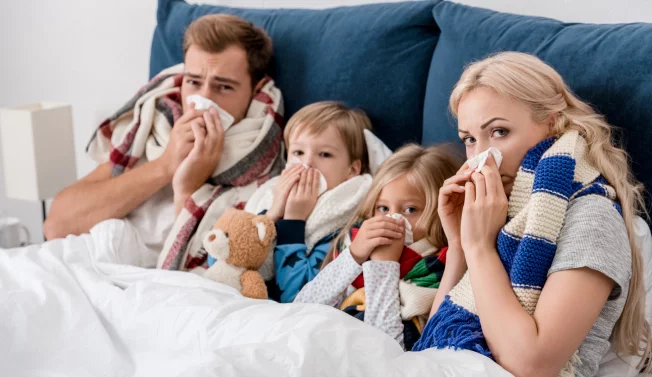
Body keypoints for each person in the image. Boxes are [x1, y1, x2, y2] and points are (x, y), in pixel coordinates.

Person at [413, 52, 652, 377]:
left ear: (553, 123)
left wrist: (480, 248)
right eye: (470, 140)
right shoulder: (506, 210)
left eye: (499, 132)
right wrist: (459, 244)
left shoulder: (593, 217)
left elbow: (531, 365)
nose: (483, 159)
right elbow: (433, 346)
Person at [44, 15, 274, 257]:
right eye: (194, 82)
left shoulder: (266, 154)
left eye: (224, 86)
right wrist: (166, 164)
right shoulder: (152, 127)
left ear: (256, 90)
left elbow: (224, 270)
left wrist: (189, 187)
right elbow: (56, 225)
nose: (204, 101)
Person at [294, 144, 462, 351]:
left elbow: (385, 350)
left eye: (410, 209)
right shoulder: (353, 244)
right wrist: (354, 256)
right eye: (383, 208)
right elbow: (300, 309)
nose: (393, 218)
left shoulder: (441, 267)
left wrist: (384, 265)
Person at [243, 101, 380, 303]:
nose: (307, 164)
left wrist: (293, 221)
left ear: (352, 170)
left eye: (324, 154)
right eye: (298, 152)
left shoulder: (346, 222)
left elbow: (297, 296)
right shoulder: (269, 195)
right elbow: (223, 257)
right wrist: (272, 214)